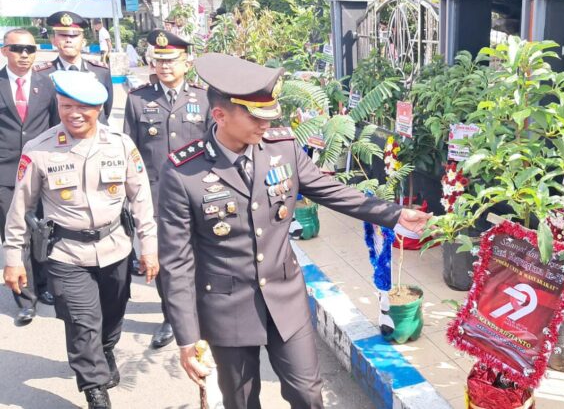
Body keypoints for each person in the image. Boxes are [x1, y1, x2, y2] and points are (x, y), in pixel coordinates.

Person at [158, 54, 432, 409]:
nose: (265, 124)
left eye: (269, 115)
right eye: (255, 117)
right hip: (226, 307)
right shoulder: (183, 172)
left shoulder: (282, 148)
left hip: (285, 296)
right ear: (220, 115)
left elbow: (332, 191)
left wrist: (394, 215)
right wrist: (187, 339)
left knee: (307, 394)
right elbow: (177, 262)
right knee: (241, 402)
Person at [2, 70, 158, 409]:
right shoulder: (39, 149)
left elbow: (141, 198)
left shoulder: (120, 145)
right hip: (66, 253)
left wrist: (149, 247)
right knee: (82, 323)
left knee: (112, 317)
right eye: (65, 106)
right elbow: (20, 208)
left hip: (115, 248)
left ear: (98, 108)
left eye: (82, 107)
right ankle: (94, 389)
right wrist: (13, 259)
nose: (73, 114)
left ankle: (105, 350)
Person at [124, 29, 211, 349]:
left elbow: (214, 147)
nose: (164, 66)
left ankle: (203, 312)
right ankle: (171, 316)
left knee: (202, 255)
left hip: (200, 192)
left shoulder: (204, 98)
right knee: (165, 261)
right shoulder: (138, 99)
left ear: (186, 62)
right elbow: (130, 152)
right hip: (156, 195)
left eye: (171, 60)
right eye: (158, 60)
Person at [0, 28, 58, 325]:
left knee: (43, 231)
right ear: (4, 51)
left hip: (42, 170)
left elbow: (57, 125)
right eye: (17, 49)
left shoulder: (47, 84)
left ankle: (44, 285)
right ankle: (25, 297)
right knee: (15, 233)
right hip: (5, 172)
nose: (24, 55)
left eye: (30, 49)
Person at [36, 11, 114, 120]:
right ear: (53, 40)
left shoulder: (101, 71)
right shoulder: (41, 75)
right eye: (63, 35)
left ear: (83, 42)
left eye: (74, 35)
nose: (68, 40)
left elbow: (105, 111)